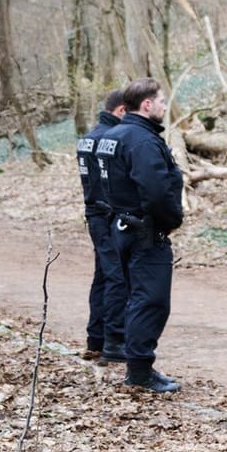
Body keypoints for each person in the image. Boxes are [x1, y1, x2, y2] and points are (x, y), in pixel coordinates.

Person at [100, 78, 185, 394]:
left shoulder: (115, 136)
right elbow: (156, 191)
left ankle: (139, 367)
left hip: (122, 226)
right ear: (146, 105)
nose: (165, 106)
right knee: (151, 301)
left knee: (139, 297)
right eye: (161, 101)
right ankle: (139, 372)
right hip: (144, 232)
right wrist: (172, 220)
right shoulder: (141, 141)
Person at [77, 89, 127, 361]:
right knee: (116, 277)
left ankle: (95, 339)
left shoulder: (87, 138)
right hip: (107, 216)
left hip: (93, 215)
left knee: (102, 276)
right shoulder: (109, 140)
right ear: (120, 111)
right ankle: (112, 342)